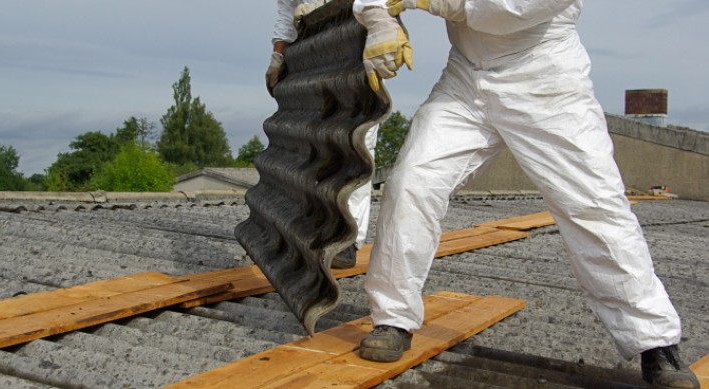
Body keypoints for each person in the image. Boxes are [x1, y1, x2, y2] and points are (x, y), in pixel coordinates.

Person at [351, 0, 700, 388]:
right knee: (410, 184)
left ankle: (656, 344)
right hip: (465, 78)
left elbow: (509, 9)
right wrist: (379, 19)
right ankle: (392, 319)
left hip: (545, 79)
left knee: (594, 208)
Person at [268, 0, 379, 269]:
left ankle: (347, 240)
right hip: (311, 48)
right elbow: (286, 6)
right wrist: (279, 54)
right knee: (310, 142)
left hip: (355, 37)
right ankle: (310, 230)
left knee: (356, 143)